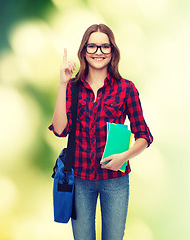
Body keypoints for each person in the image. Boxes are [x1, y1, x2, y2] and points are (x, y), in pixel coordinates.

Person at [49, 23, 153, 240]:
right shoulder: (72, 88)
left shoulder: (126, 88)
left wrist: (124, 157)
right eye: (92, 47)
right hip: (79, 180)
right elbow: (60, 130)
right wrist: (62, 83)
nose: (98, 52)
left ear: (112, 52)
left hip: (115, 180)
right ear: (84, 51)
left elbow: (143, 135)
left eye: (104, 47)